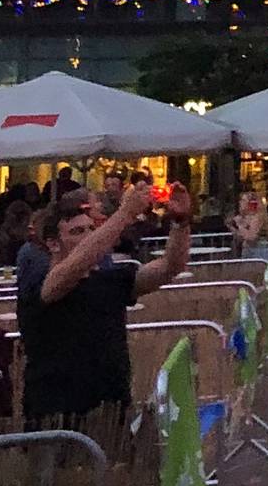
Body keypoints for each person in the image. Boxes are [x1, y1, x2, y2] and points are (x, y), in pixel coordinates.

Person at [18, 181, 195, 428]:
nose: (89, 237)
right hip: (55, 414)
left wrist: (180, 222)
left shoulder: (107, 277)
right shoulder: (42, 280)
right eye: (77, 232)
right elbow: (64, 277)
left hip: (110, 410)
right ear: (53, 243)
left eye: (91, 229)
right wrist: (124, 214)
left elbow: (169, 267)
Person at [230, 190, 268, 265]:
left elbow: (251, 237)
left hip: (258, 252)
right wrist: (232, 228)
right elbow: (243, 237)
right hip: (248, 251)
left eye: (244, 200)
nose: (240, 203)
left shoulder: (257, 217)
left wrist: (240, 224)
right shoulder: (246, 217)